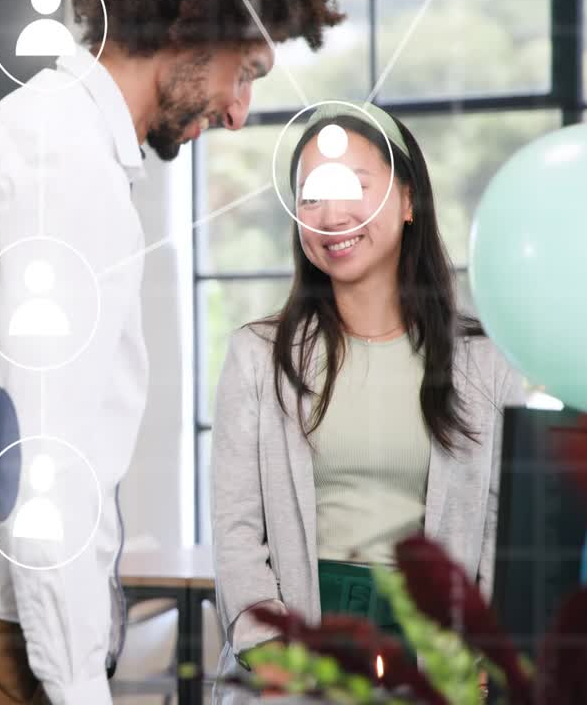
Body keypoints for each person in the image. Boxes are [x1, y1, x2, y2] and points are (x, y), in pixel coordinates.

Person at [0, 0, 345, 703]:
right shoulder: (62, 160)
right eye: (247, 71)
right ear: (195, 22)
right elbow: (39, 464)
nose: (238, 112)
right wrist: (80, 687)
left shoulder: (55, 138)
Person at [209, 102, 525, 686]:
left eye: (354, 186)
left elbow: (500, 534)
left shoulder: (484, 363)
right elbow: (235, 530)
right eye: (310, 196)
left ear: (407, 201)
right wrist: (273, 652)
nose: (331, 214)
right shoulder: (258, 356)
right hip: (298, 650)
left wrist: (484, 655)